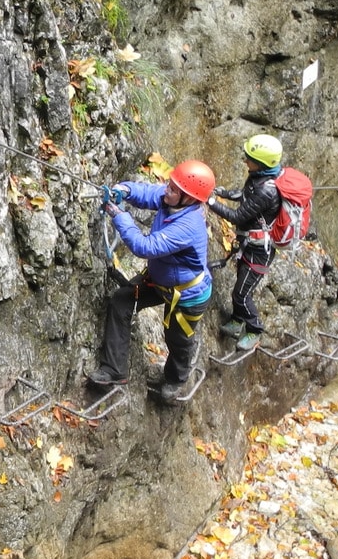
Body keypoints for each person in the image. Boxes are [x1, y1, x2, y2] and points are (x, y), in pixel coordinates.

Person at [88, 160, 215, 404]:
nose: (167, 189)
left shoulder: (189, 226)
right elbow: (147, 193)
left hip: (187, 295)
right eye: (170, 184)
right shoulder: (173, 199)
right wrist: (124, 190)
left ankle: (176, 379)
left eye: (174, 189)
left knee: (177, 338)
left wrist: (119, 215)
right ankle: (114, 370)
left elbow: (144, 246)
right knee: (121, 301)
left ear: (188, 198)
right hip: (159, 281)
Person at [207, 133, 283, 352]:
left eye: (249, 157)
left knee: (241, 293)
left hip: (260, 252)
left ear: (260, 163)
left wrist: (210, 200)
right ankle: (237, 320)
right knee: (240, 285)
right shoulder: (258, 177)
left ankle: (255, 329)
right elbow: (244, 194)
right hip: (248, 245)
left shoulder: (268, 191)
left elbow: (238, 217)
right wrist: (224, 193)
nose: (245, 160)